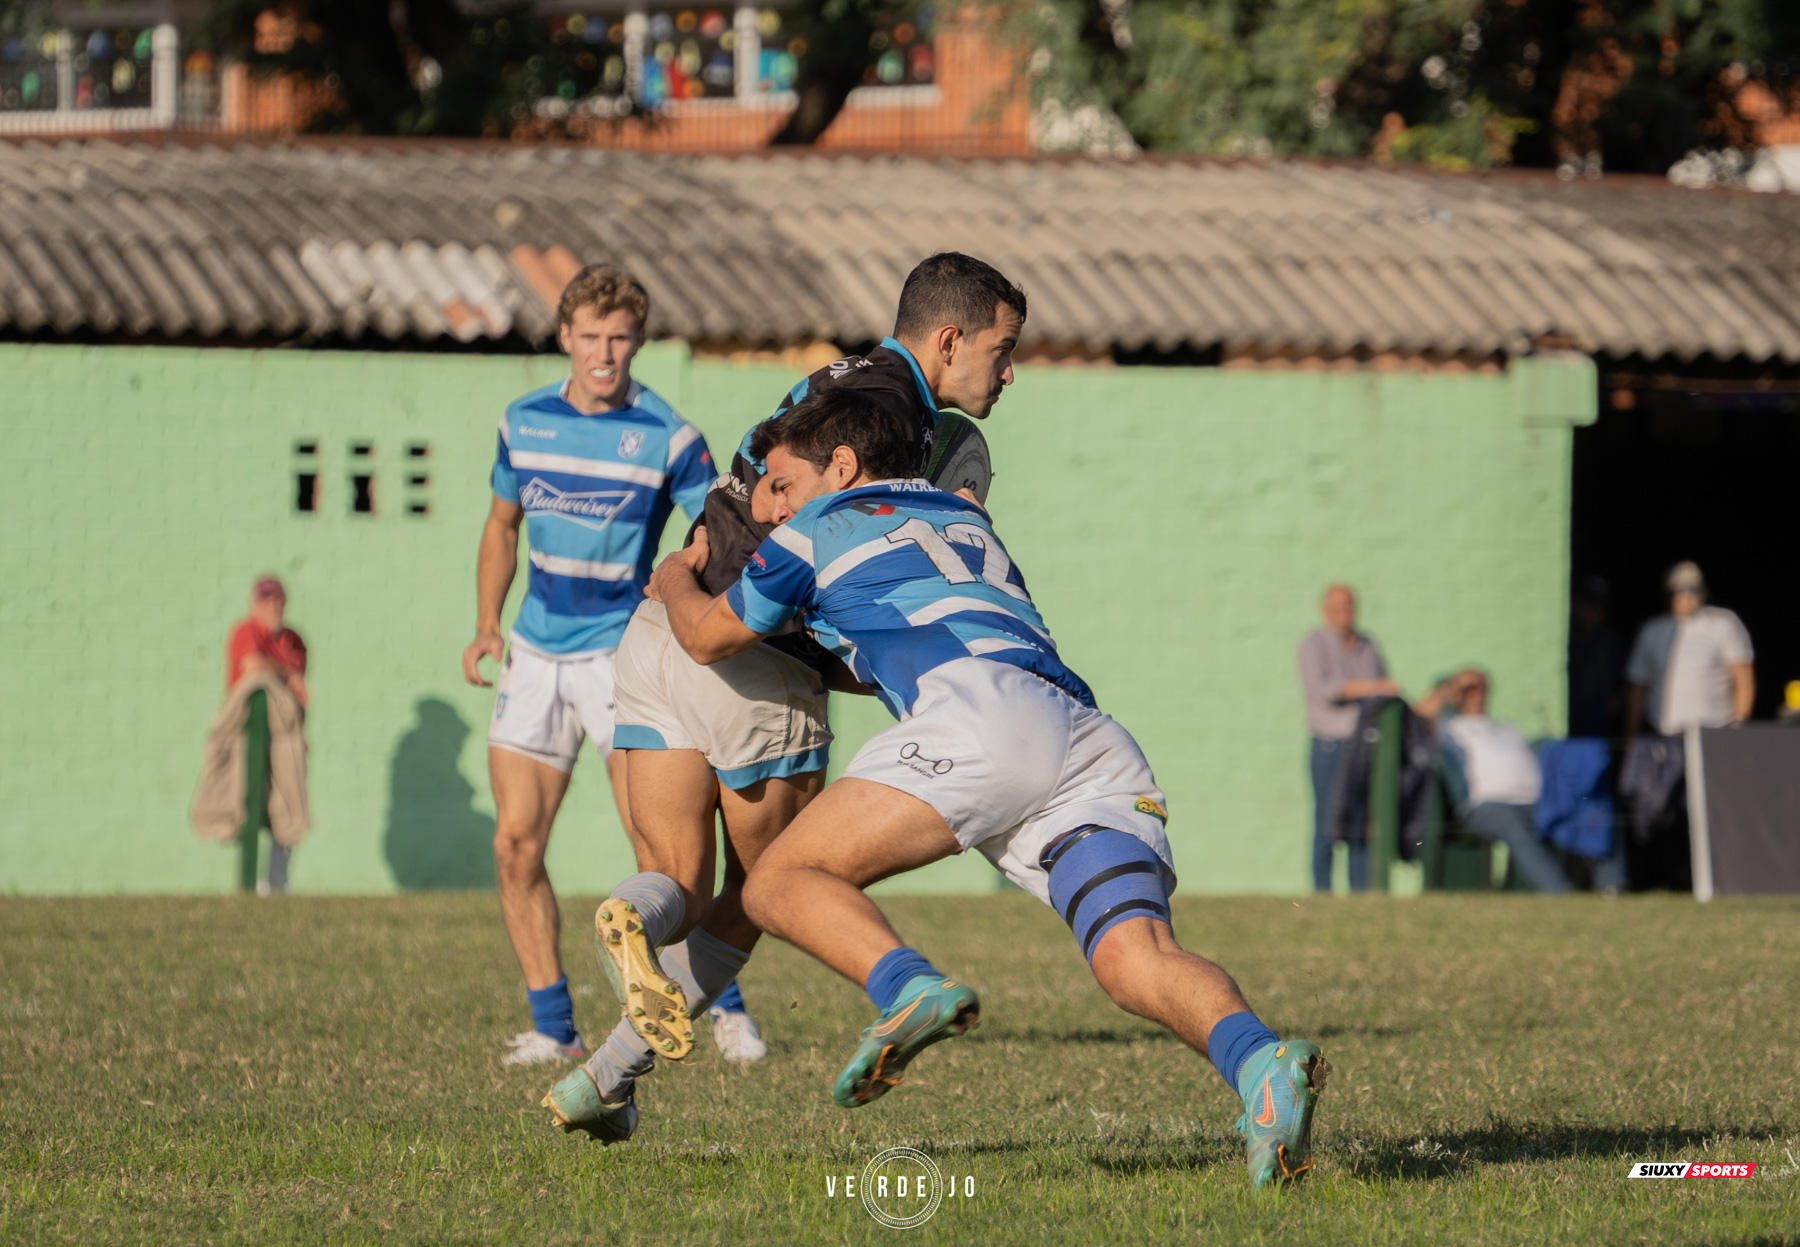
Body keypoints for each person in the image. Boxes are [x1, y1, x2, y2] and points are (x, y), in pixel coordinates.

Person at [550, 390, 1330, 1189]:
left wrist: (676, 573)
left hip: (978, 719)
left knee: (776, 880)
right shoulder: (966, 520)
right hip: (1088, 738)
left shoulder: (813, 530)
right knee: (1138, 958)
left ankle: (908, 985)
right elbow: (901, 635)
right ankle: (1261, 1064)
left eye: (781, 484)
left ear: (841, 467)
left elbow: (706, 633)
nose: (769, 507)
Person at [541, 254, 1028, 1130]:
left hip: (658, 630)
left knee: (676, 880)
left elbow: (755, 497)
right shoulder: (894, 429)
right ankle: (615, 1066)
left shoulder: (836, 380)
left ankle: (608, 1049)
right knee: (766, 886)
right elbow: (820, 553)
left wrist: (681, 578)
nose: (1010, 372)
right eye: (1003, 349)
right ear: (950, 340)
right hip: (752, 653)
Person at [461, 265, 717, 1067]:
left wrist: (689, 602)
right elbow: (501, 525)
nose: (605, 352)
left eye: (620, 337)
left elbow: (716, 531)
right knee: (514, 844)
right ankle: (552, 1026)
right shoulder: (523, 421)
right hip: (536, 652)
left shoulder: (670, 435)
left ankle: (720, 1002)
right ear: (565, 337)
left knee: (657, 847)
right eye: (591, 336)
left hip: (621, 654)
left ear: (637, 342)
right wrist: (486, 624)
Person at [1415, 669, 1571, 893]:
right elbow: (1418, 717)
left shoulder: (1506, 728)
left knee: (1589, 812)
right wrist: (1448, 689)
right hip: (1487, 806)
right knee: (1511, 824)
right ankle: (1560, 892)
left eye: (1482, 688)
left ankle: (1609, 888)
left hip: (1535, 802)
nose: (1477, 694)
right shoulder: (1449, 729)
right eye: (1469, 689)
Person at [1296, 585, 1397, 892]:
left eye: (1349, 605)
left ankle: (1360, 892)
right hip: (1329, 745)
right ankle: (1322, 891)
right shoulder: (1313, 644)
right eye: (1337, 606)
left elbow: (1386, 690)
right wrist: (1373, 687)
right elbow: (1327, 690)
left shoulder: (1369, 644)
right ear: (1325, 609)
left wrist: (1376, 689)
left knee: (1361, 823)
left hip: (1364, 745)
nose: (1344, 612)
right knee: (1327, 820)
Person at [221, 575, 309, 893]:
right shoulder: (246, 631)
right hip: (249, 740)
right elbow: (251, 665)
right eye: (266, 601)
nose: (273, 607)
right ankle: (249, 882)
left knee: (288, 809)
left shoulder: (293, 640)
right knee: (247, 805)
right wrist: (287, 673)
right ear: (254, 604)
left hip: (287, 740)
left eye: (278, 601)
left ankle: (275, 883)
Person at [1624, 562, 1755, 739]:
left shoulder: (1724, 622)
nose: (1686, 597)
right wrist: (1631, 737)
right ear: (1668, 594)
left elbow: (1743, 677)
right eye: (1679, 591)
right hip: (1664, 735)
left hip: (1715, 734)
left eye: (1692, 590)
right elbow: (1637, 686)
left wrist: (1738, 726)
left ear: (1703, 592)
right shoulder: (1651, 630)